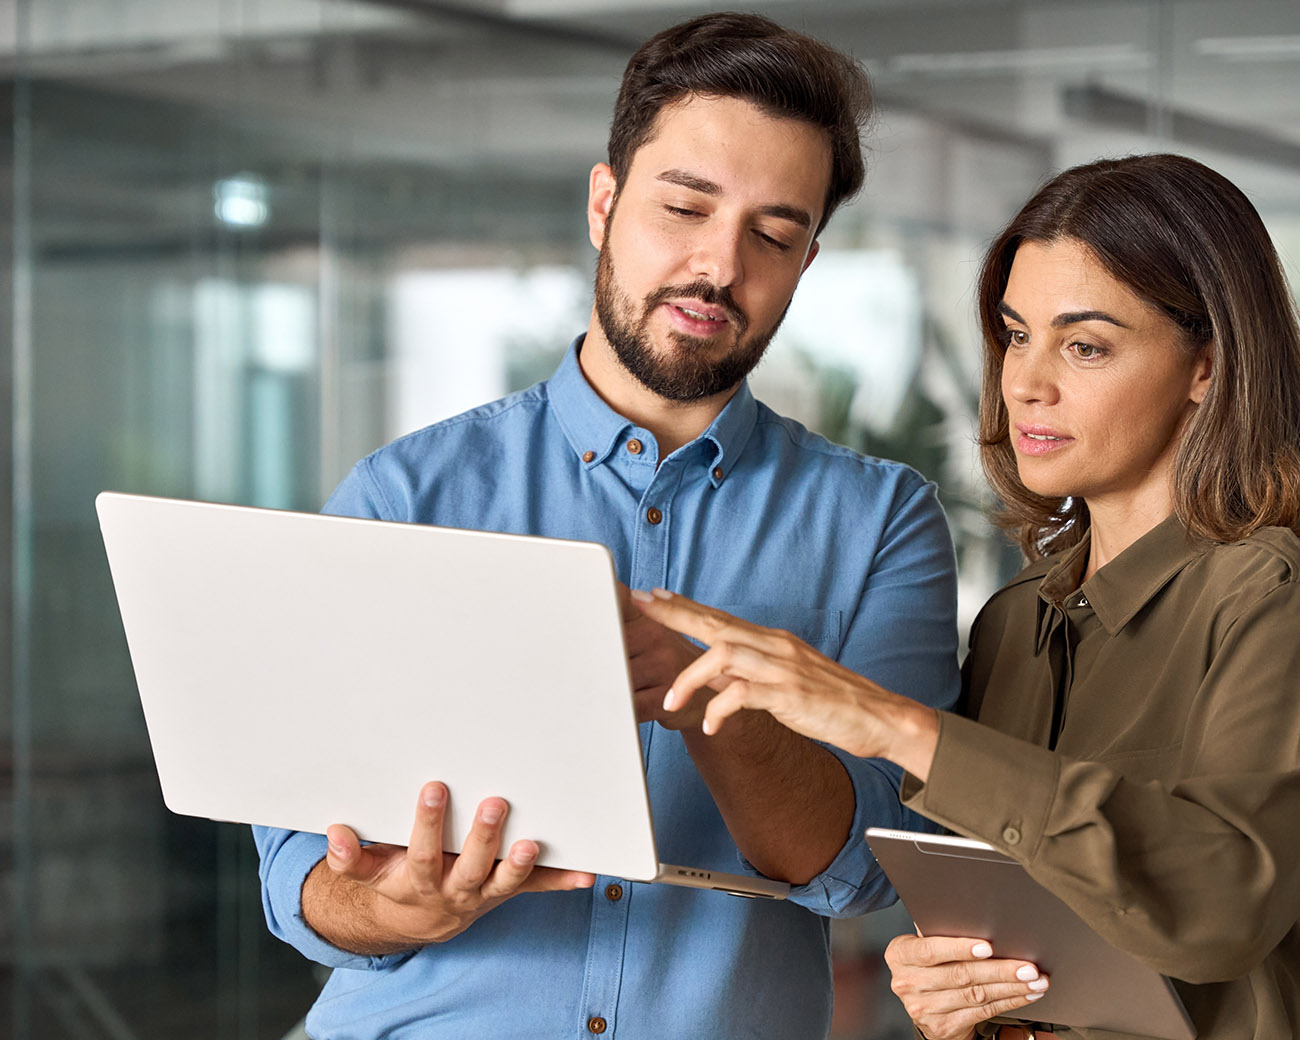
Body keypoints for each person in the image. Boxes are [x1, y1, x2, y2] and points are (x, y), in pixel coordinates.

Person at [253, 12, 961, 1039]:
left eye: (773, 234)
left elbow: (866, 871)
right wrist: (384, 906)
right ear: (603, 203)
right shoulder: (404, 495)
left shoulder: (880, 520)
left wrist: (702, 689)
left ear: (806, 262)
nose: (718, 266)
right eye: (683, 206)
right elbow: (296, 876)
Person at [635, 152, 1300, 1040]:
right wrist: (953, 990)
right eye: (1018, 334)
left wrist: (892, 725)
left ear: (1207, 367)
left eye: (1087, 345)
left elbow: (1222, 903)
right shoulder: (1014, 622)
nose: (1026, 380)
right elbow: (1026, 928)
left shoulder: (1271, 595)